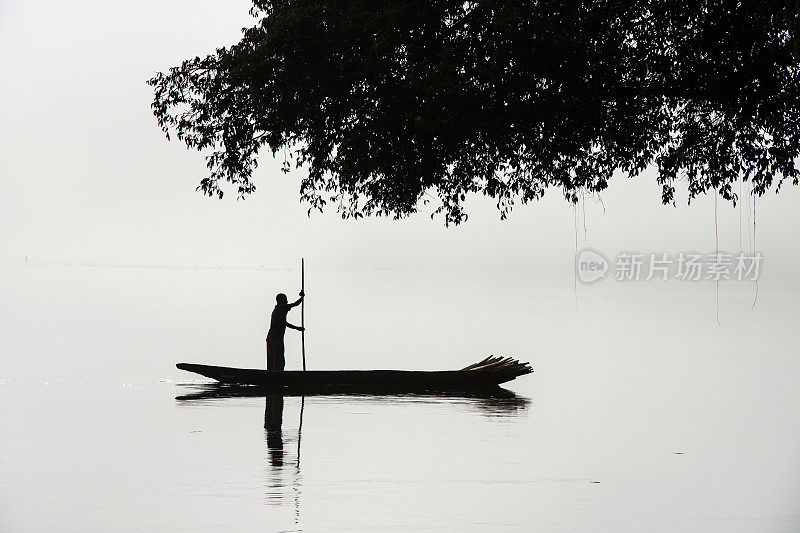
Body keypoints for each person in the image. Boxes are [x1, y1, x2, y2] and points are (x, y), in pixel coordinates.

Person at [266, 291, 304, 371]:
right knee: (278, 359)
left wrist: (297, 328)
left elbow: (285, 323)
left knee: (274, 359)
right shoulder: (281, 307)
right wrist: (302, 297)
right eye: (285, 300)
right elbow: (295, 304)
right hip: (275, 337)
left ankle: (273, 374)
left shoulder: (277, 311)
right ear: (281, 301)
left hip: (271, 337)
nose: (287, 301)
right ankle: (276, 375)